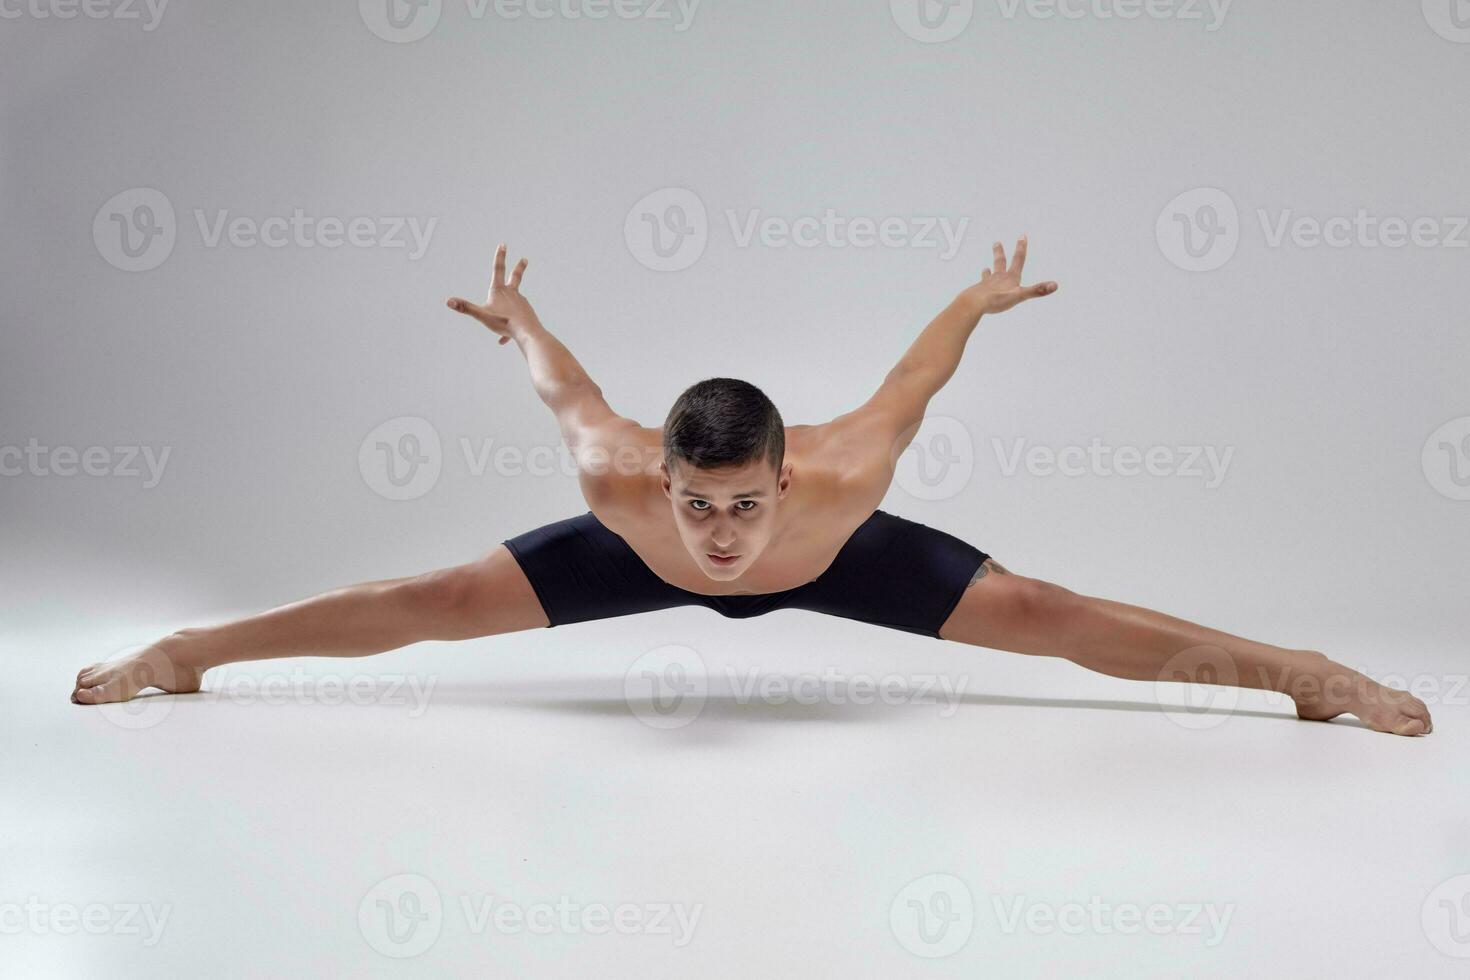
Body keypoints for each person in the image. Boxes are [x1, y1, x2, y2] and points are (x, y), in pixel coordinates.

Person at [71, 240, 1433, 736]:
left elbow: (915, 377)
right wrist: (517, 315)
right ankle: (190, 656)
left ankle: (1304, 673)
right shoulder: (618, 479)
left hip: (845, 566)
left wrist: (976, 292)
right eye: (697, 503)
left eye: (742, 503)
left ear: (785, 476)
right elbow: (560, 379)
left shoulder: (842, 476)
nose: (720, 534)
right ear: (661, 479)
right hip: (623, 566)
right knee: (428, 596)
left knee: (1057, 613)